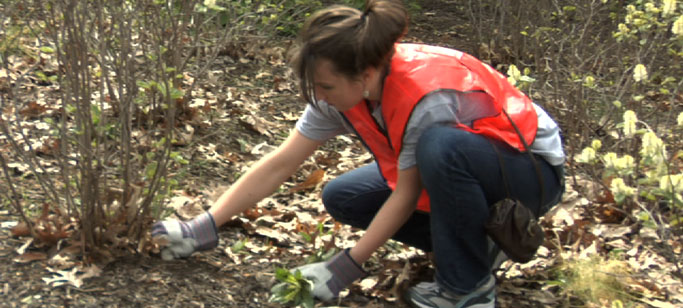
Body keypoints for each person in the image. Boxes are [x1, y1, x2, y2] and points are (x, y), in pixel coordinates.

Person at [151, 0, 566, 307]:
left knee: (441, 147)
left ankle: (467, 290)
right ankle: (476, 246)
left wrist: (344, 267)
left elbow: (406, 194)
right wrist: (204, 225)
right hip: (471, 169)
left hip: (528, 174)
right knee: (342, 196)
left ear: (365, 74)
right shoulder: (341, 91)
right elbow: (282, 161)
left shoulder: (427, 99)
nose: (320, 95)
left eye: (327, 86)